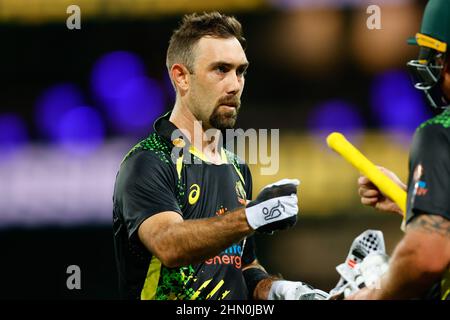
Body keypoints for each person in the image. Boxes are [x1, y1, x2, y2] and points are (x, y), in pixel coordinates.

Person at [113, 12, 327, 300]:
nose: (235, 85)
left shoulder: (237, 168)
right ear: (181, 78)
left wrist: (280, 290)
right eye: (220, 70)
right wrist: (252, 216)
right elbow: (169, 245)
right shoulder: (148, 161)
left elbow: (242, 266)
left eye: (240, 71)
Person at [350, 0, 450, 300]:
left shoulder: (439, 133)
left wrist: (373, 295)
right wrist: (417, 203)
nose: (432, 64)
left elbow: (426, 256)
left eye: (437, 55)